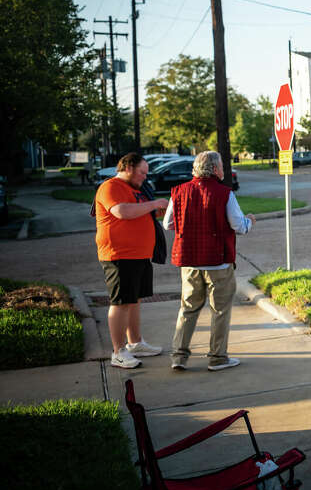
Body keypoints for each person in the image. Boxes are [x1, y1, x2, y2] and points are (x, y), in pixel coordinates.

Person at [163, 151, 255, 372]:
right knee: (220, 311)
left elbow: (168, 224)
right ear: (214, 169)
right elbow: (239, 226)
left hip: (189, 263)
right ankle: (217, 357)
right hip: (218, 263)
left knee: (188, 308)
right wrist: (250, 220)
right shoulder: (224, 193)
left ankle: (179, 357)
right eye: (221, 166)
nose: (223, 170)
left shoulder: (179, 192)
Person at [94, 152, 168, 369]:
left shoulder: (137, 190)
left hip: (139, 254)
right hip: (119, 255)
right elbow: (121, 212)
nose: (145, 177)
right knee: (121, 302)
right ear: (128, 167)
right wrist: (154, 204)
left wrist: (160, 210)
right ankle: (118, 352)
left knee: (134, 300)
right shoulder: (111, 186)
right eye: (142, 172)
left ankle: (135, 343)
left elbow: (142, 214)